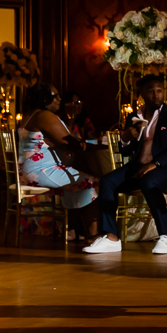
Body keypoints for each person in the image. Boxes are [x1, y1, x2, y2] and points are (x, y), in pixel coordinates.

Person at [83, 75, 167, 255]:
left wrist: (155, 163)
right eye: (151, 91)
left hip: (163, 169)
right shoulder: (134, 116)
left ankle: (166, 237)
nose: (156, 95)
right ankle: (111, 238)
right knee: (108, 181)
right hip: (137, 167)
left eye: (159, 91)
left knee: (149, 181)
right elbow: (125, 151)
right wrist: (125, 140)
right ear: (142, 94)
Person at [18, 82, 99, 239]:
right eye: (56, 96)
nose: (59, 100)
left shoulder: (30, 114)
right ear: (44, 99)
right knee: (92, 180)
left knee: (77, 179)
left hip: (28, 171)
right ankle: (92, 234)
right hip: (40, 171)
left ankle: (71, 228)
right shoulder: (44, 115)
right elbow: (67, 142)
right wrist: (90, 146)